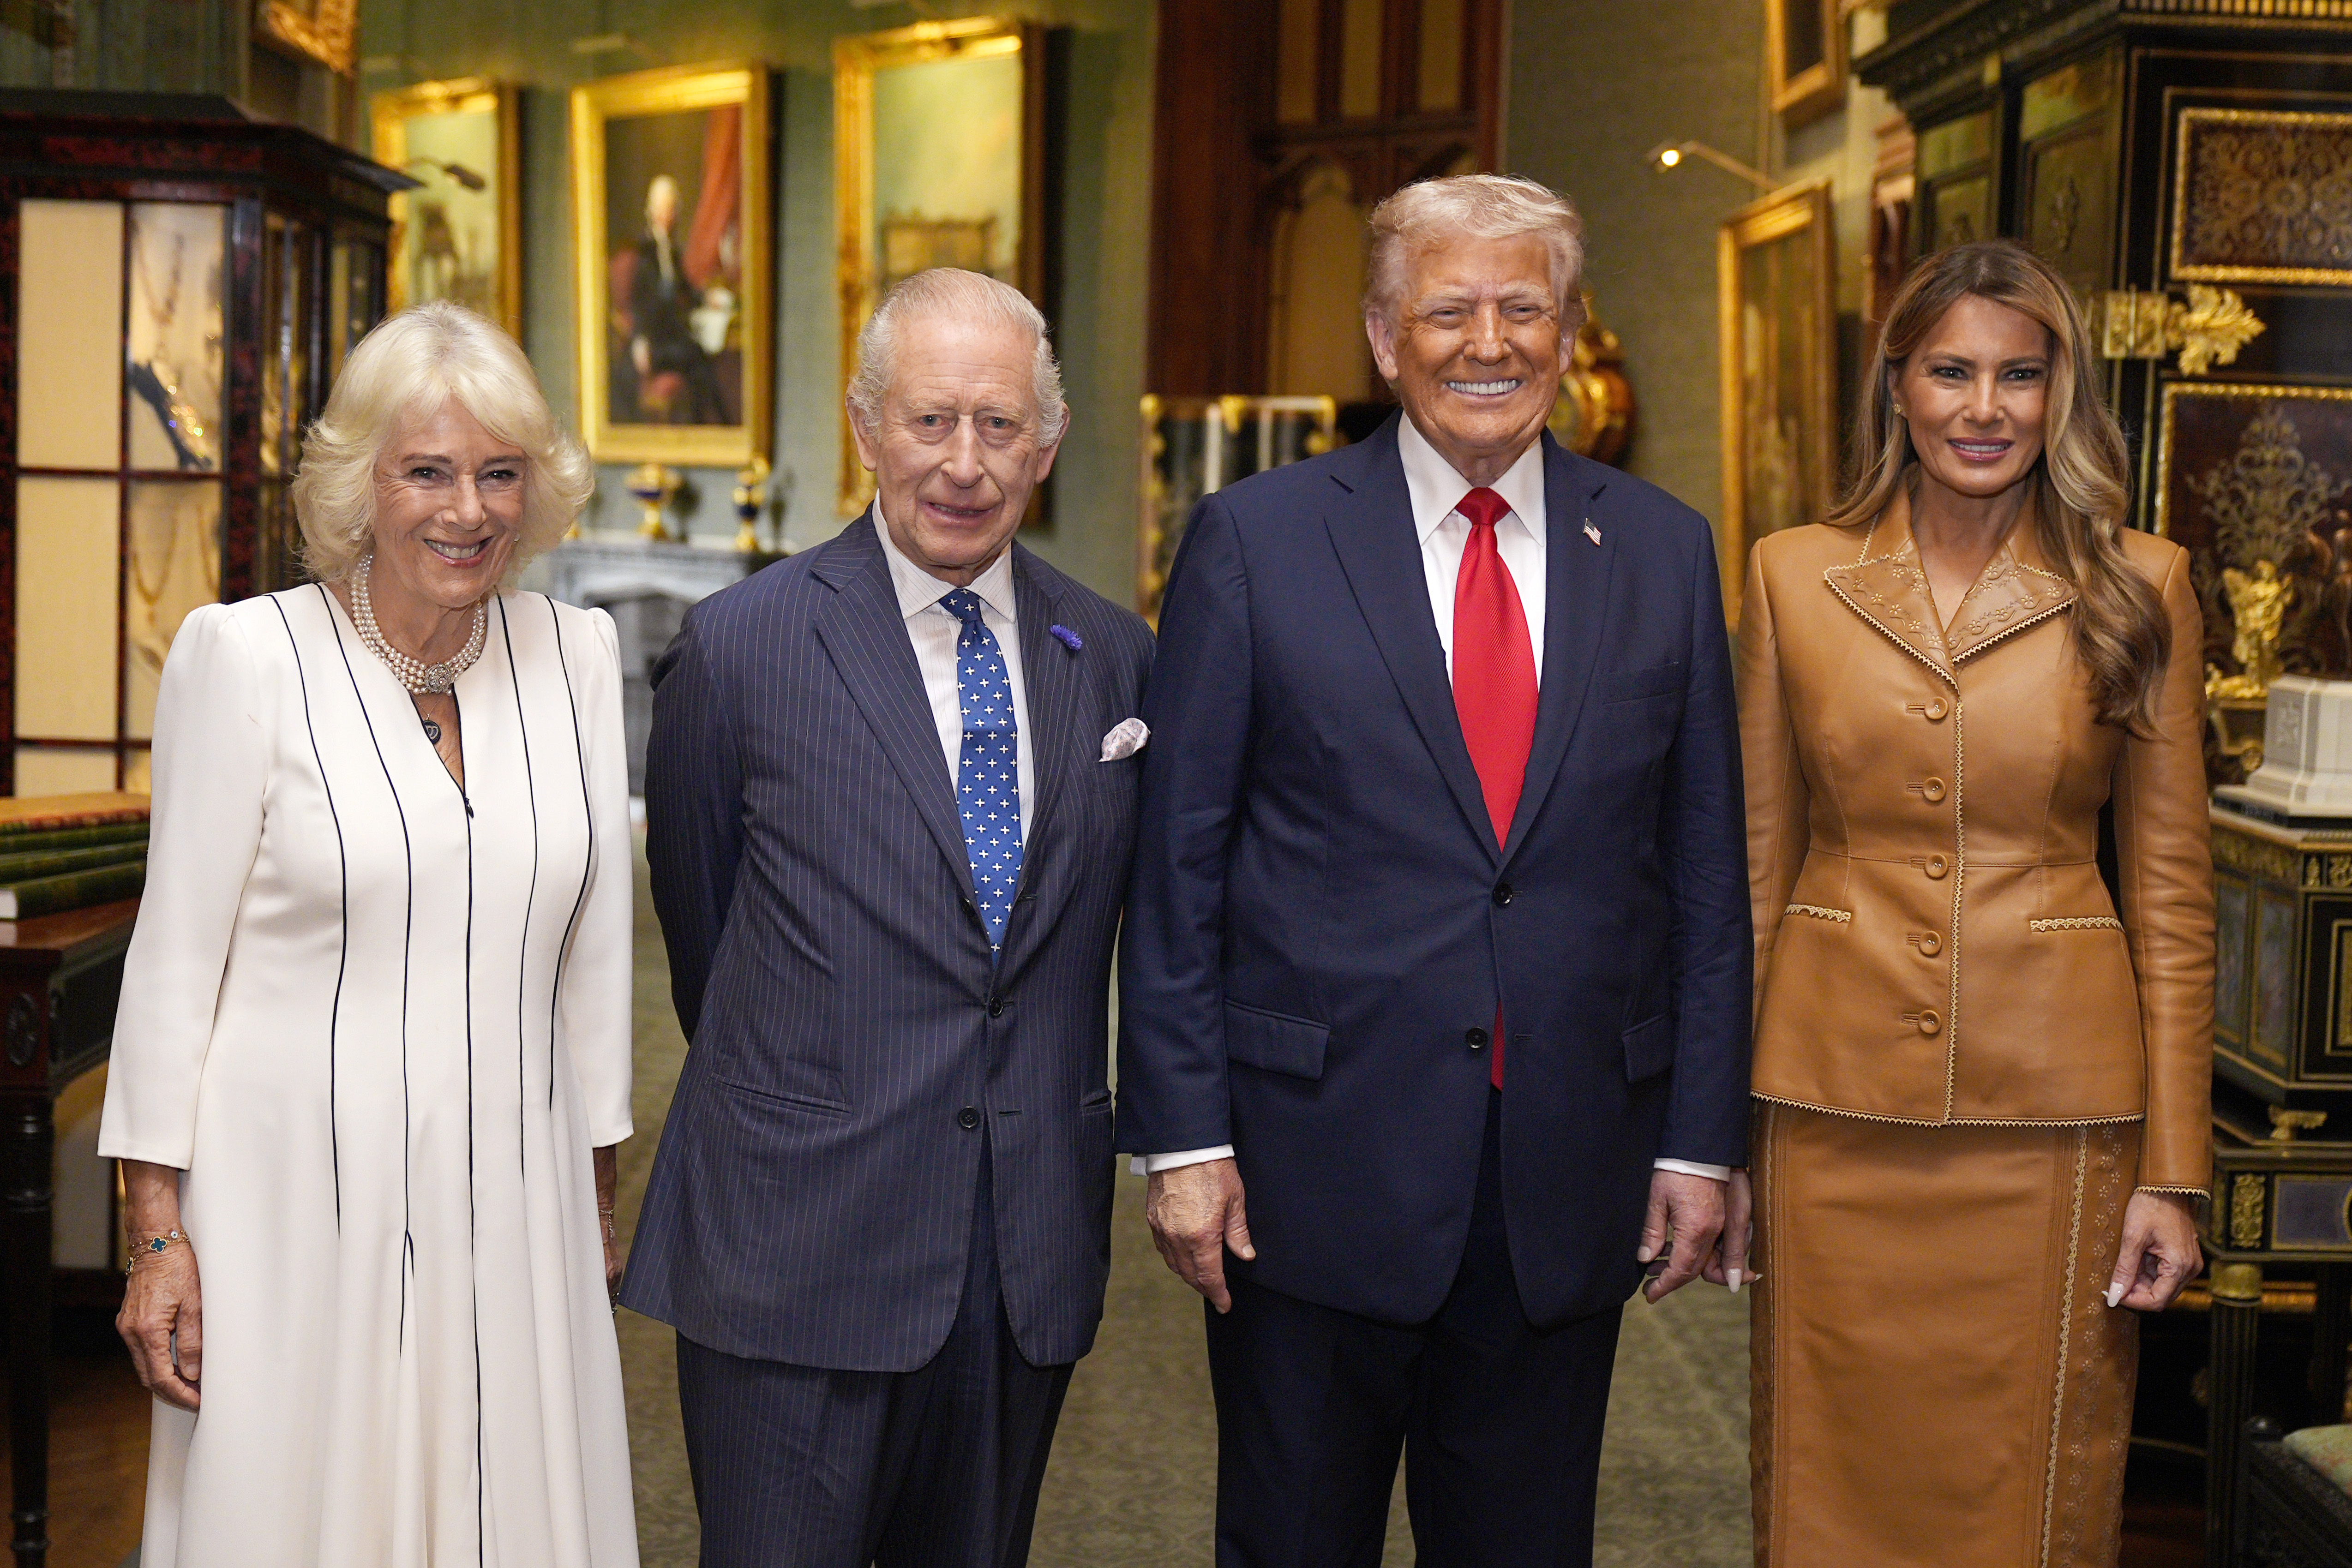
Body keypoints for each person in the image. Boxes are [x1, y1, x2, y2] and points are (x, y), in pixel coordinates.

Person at [1117, 173, 1752, 1564]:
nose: (1489, 341)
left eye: (1525, 307)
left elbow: (1706, 874)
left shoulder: (1662, 549)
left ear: (1568, 329)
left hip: (1563, 1172)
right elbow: (1178, 867)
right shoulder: (1255, 540)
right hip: (1306, 1170)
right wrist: (1186, 1141)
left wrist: (1699, 1141)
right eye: (1448, 308)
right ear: (1381, 334)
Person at [621, 267, 1154, 1568]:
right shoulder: (739, 650)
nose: (965, 463)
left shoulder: (1115, 654)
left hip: (1019, 1251)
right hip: (795, 1241)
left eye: (999, 423)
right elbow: (705, 935)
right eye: (931, 420)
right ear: (866, 427)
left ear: (1047, 442)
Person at [98, 300, 636, 1566]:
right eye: (428, 472)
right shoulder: (247, 656)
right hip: (294, 1208)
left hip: (517, 1200)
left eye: (499, 473)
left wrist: (593, 1198)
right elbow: (173, 970)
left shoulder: (575, 655)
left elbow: (597, 960)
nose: (468, 510)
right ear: (361, 484)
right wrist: (156, 1236)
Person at [1735, 238, 2211, 1566]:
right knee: (1825, 1479)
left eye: (2020, 374)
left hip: (2053, 1118)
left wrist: (2174, 1171)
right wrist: (1717, 1139)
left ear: (2063, 392)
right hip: (1829, 1105)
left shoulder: (2142, 582)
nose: (1984, 408)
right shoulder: (1790, 573)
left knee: (2031, 1484)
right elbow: (1756, 870)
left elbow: (2174, 898)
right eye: (1950, 371)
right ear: (1897, 383)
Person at [626, 173, 727, 424]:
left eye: (672, 208)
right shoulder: (643, 251)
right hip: (654, 341)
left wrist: (706, 299)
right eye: (663, 208)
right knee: (698, 359)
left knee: (702, 360)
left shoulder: (672, 250)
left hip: (672, 335)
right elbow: (637, 301)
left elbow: (685, 291)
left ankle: (705, 424)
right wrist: (640, 339)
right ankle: (715, 422)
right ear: (652, 211)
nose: (668, 215)